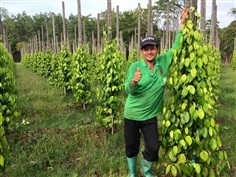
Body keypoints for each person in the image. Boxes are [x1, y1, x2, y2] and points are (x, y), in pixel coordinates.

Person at [124, 8, 189, 177]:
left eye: (152, 48)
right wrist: (133, 82)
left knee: (153, 147)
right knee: (132, 145)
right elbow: (127, 89)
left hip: (150, 116)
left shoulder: (163, 62)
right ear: (141, 52)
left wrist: (182, 24)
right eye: (145, 49)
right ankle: (131, 172)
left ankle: (146, 170)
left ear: (157, 49)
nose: (149, 52)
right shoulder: (135, 67)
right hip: (132, 114)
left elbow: (176, 46)